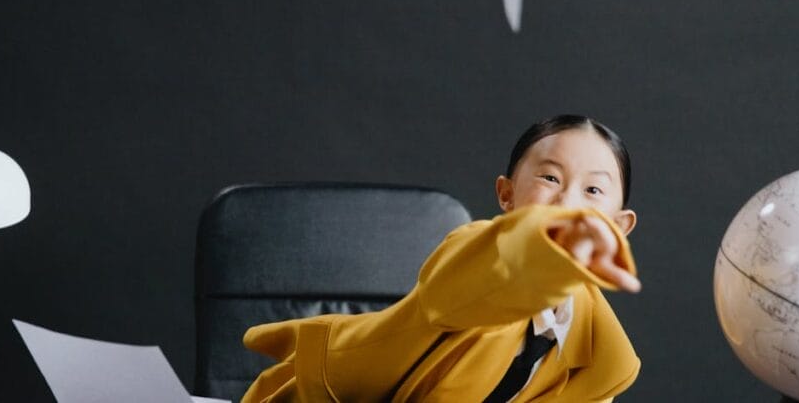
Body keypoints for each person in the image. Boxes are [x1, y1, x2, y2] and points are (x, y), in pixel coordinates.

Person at [242, 115, 641, 402]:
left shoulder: (600, 354)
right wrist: (542, 244)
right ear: (506, 195)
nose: (567, 201)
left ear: (619, 226)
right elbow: (498, 272)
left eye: (593, 191)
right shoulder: (474, 255)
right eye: (550, 178)